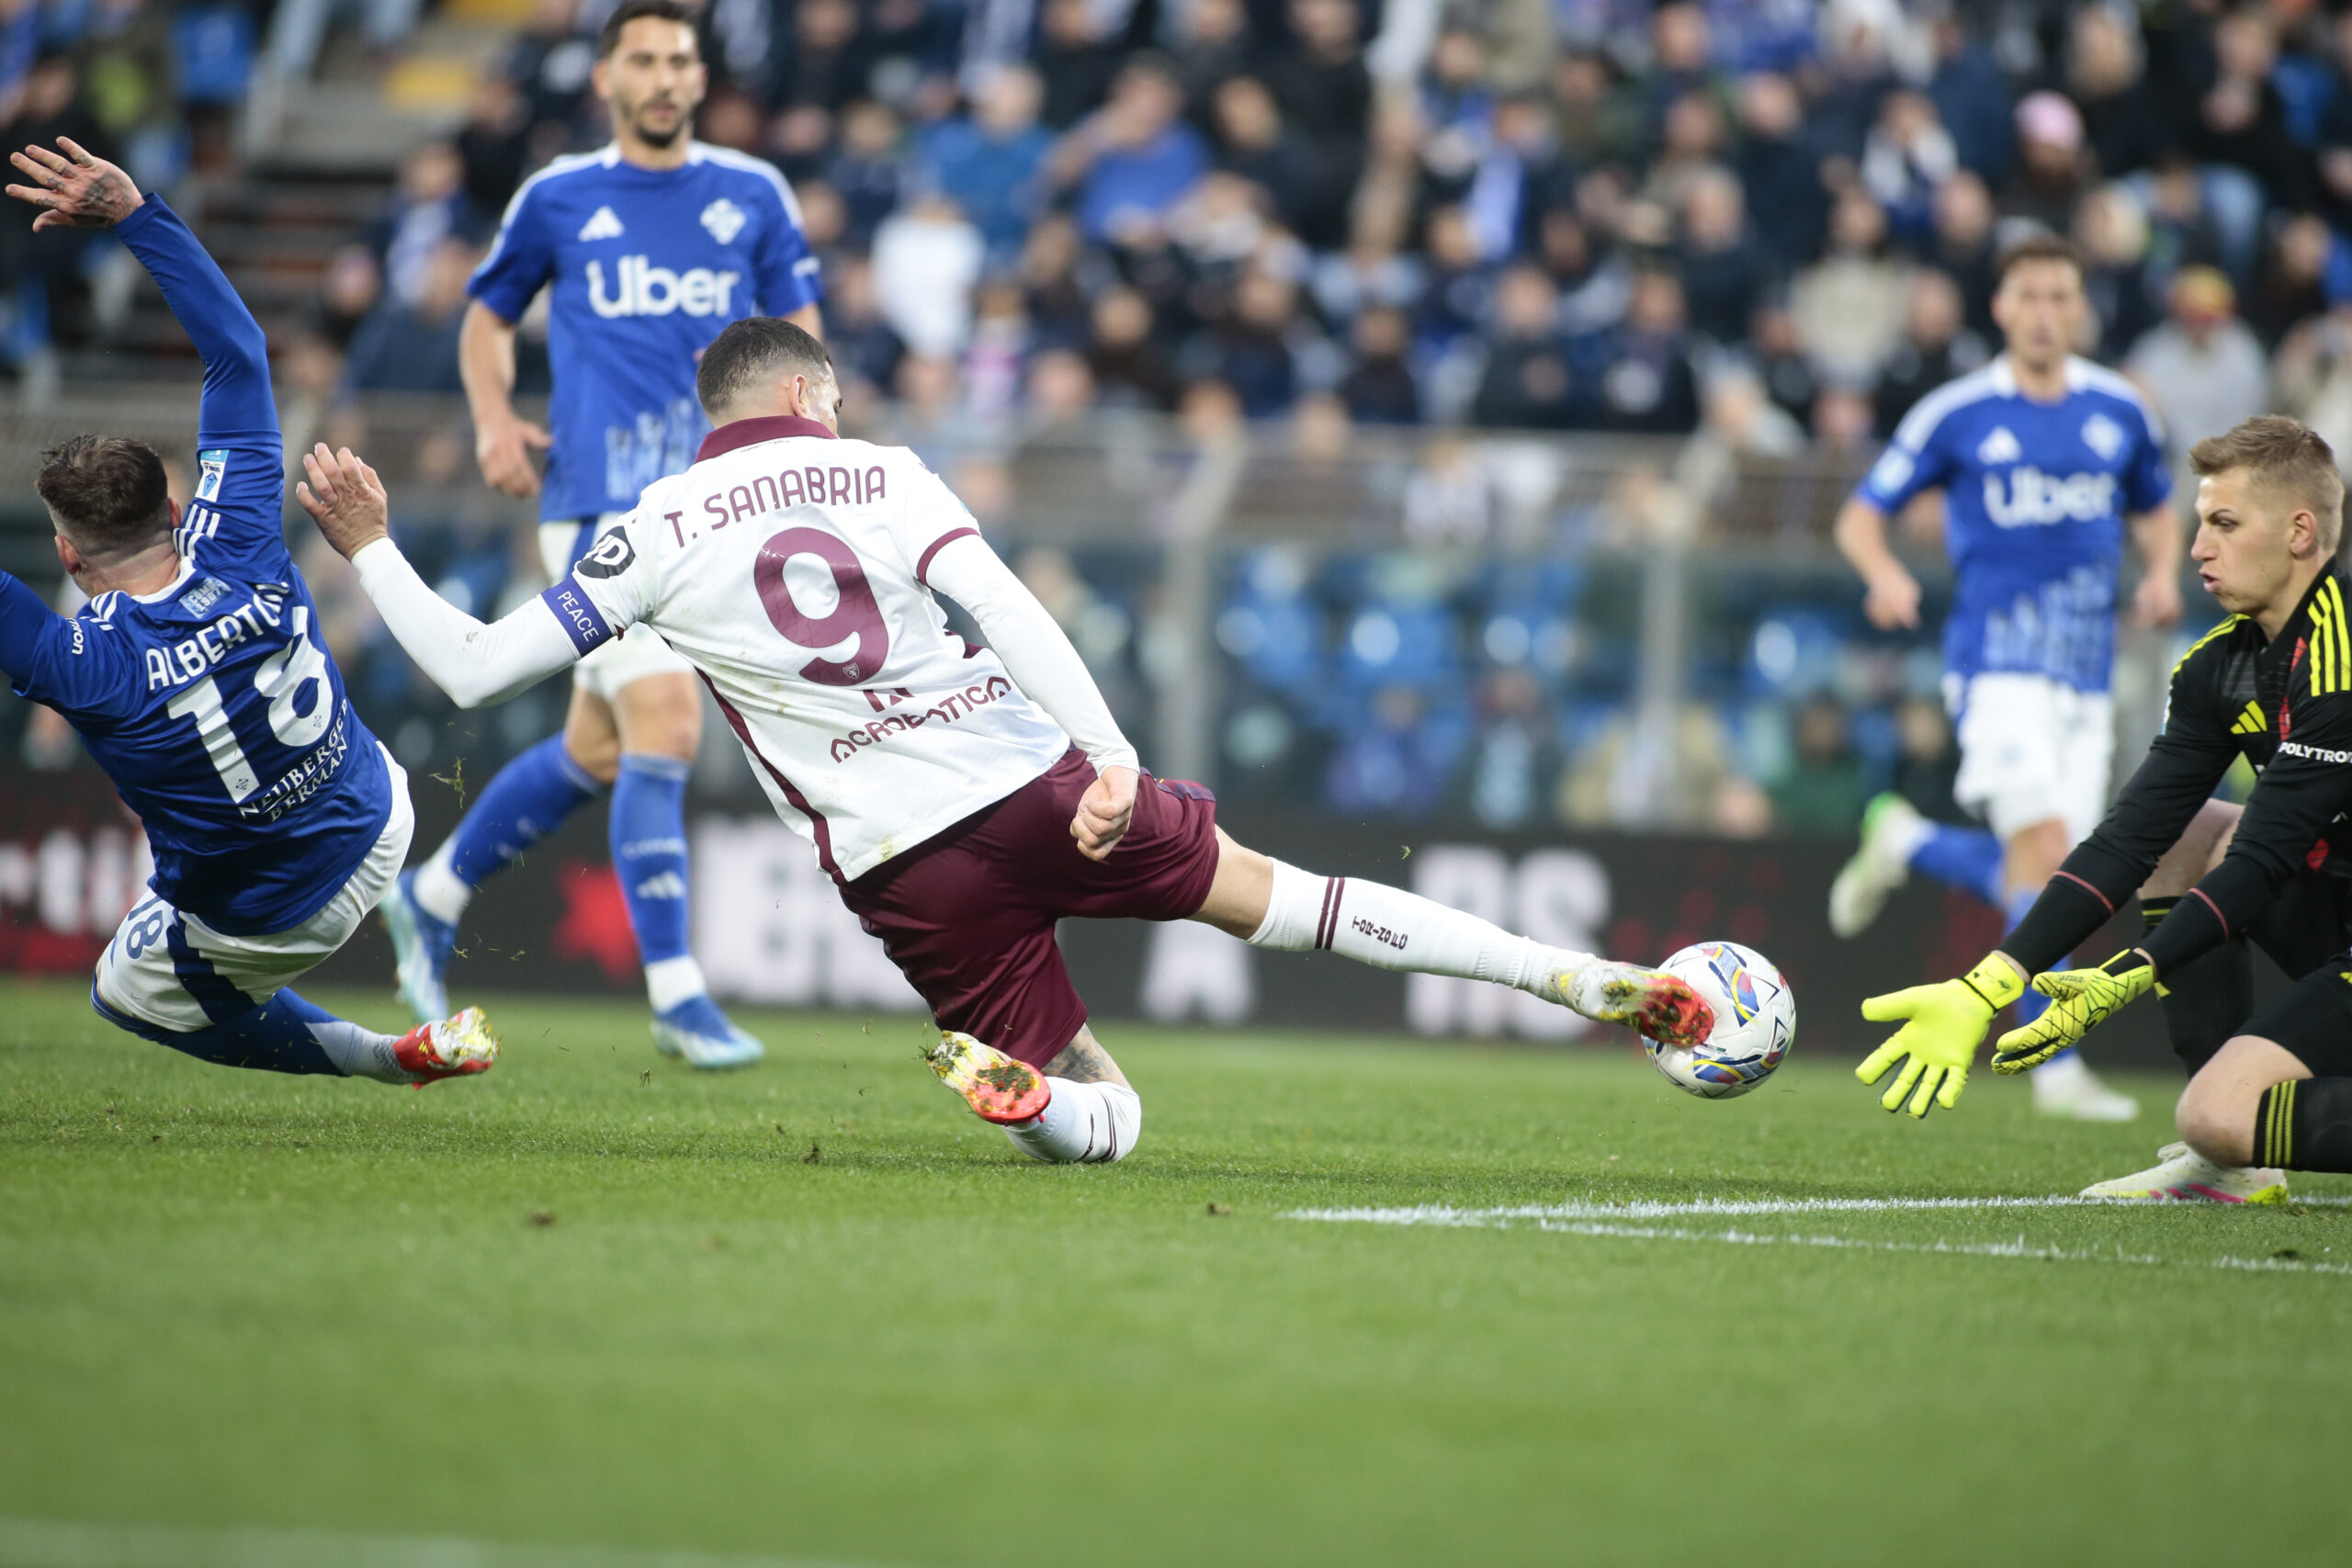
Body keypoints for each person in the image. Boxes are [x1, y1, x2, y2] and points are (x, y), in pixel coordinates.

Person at [296, 319, 1715, 1164]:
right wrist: (1110, 751)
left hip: (901, 865)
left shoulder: (651, 528)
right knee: (1294, 901)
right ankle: (1570, 976)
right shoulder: (883, 473)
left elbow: (471, 670)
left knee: (1108, 1110)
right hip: (1032, 781)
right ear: (812, 393)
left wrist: (371, 546)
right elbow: (1008, 605)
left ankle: (1040, 1102)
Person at [376, 0, 823, 1069]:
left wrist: (802, 440)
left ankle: (431, 898)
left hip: (716, 509)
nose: (664, 77)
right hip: (598, 507)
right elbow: (487, 316)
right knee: (666, 719)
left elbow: (803, 336)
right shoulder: (559, 196)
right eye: (644, 60)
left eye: (680, 60)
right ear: (606, 78)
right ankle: (676, 994)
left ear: (701, 78)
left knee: (598, 748)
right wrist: (493, 418)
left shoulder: (753, 194)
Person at [0, 137, 495, 1088]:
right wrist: (136, 212)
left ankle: (384, 1058)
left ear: (67, 556)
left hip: (273, 917)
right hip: (379, 818)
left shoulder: (78, 664)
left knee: (123, 988)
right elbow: (237, 353)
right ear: (174, 509)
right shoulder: (238, 534)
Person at [1859, 416, 2352, 1204]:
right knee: (2187, 835)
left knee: (2218, 1114)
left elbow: (2262, 861)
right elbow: (2131, 836)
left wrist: (2129, 971)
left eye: (2225, 524)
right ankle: (2230, 1169)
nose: (2197, 548)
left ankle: (2222, 1142)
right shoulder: (2218, 668)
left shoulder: (2341, 655)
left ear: (2300, 532)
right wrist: (1990, 982)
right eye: (2199, 522)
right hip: (2337, 918)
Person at [1826, 232, 2184, 1122]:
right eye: (2029, 295)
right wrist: (1884, 574)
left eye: (2060, 296)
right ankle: (2051, 1066)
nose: (2044, 313)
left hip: (2087, 676)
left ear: (2080, 308)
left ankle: (1909, 840)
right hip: (1995, 668)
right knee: (2050, 848)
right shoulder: (1956, 411)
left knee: (2061, 874)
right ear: (2000, 307)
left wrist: (2159, 573)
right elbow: (1861, 514)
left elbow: (2155, 505)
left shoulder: (2120, 409)